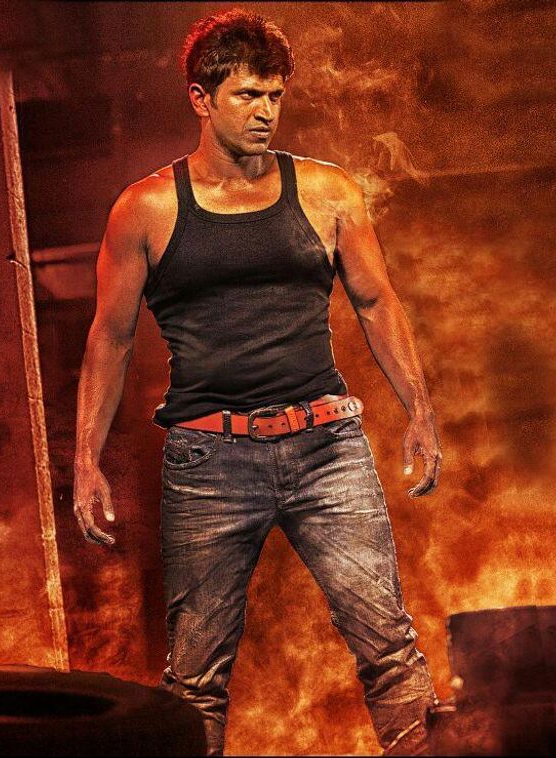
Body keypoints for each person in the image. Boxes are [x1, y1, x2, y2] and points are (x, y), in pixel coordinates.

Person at [73, 9, 442, 755]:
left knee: (390, 647)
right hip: (208, 461)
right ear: (201, 99)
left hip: (328, 447)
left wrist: (420, 412)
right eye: (247, 95)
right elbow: (110, 337)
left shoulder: (329, 192)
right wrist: (85, 458)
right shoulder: (146, 208)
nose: (265, 111)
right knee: (195, 680)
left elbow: (376, 302)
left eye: (274, 95)